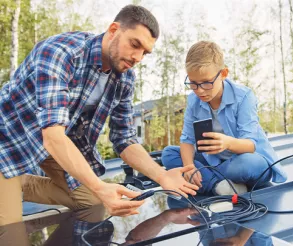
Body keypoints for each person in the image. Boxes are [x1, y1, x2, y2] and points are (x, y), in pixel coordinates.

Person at [0, 4, 198, 226]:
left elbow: (124, 139)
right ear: (113, 30)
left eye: (145, 52)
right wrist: (100, 185)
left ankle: (14, 182)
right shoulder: (59, 53)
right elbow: (53, 136)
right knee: (11, 233)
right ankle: (6, 182)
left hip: (52, 141)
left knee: (92, 201)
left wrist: (161, 176)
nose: (138, 57)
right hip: (9, 140)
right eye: (135, 44)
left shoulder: (125, 78)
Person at [161, 41, 287, 196]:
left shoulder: (244, 97)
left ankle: (208, 178)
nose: (199, 91)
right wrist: (189, 167)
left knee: (248, 164)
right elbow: (187, 139)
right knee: (168, 154)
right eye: (193, 84)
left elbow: (251, 145)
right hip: (214, 160)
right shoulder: (193, 101)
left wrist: (227, 143)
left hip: (244, 160)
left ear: (223, 74)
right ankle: (219, 185)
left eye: (206, 83)